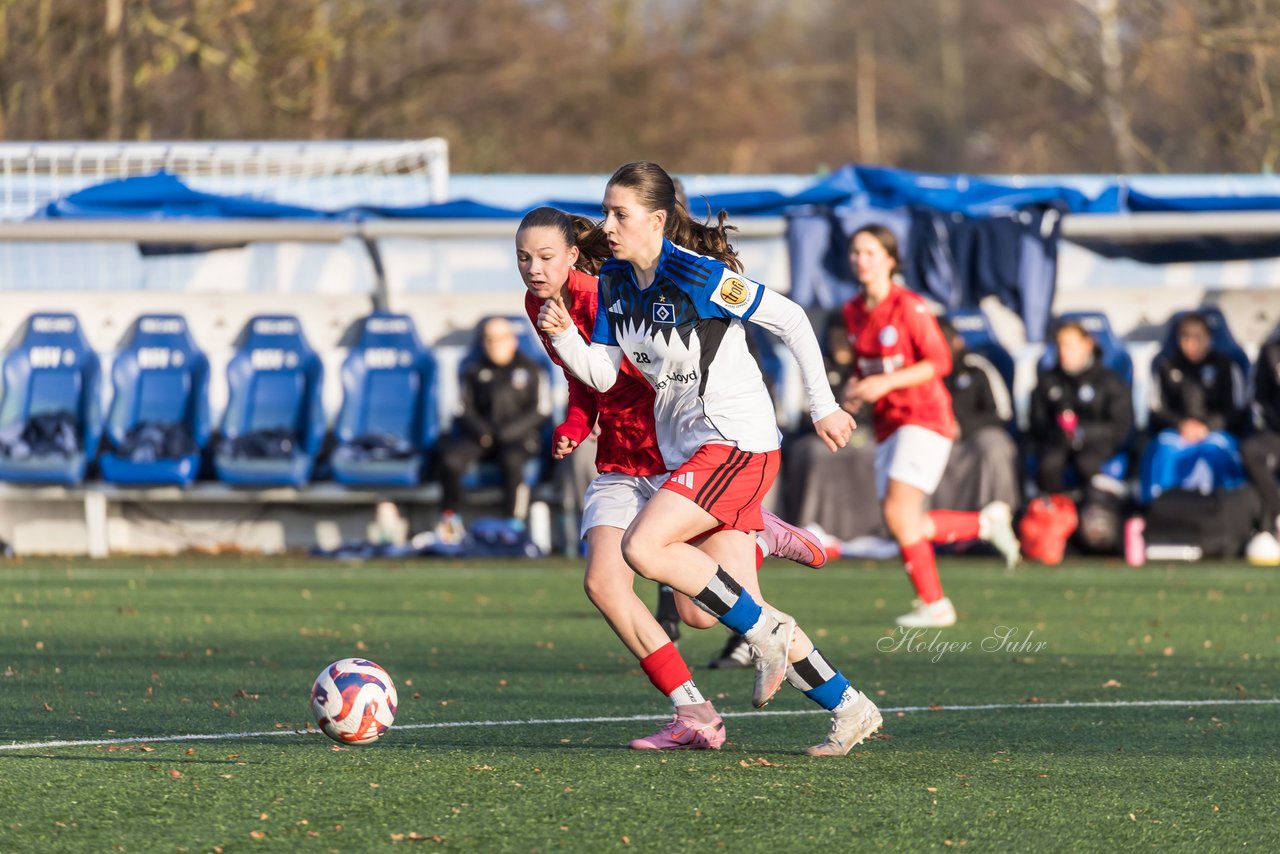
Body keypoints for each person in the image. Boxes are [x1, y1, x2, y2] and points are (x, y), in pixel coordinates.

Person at [542, 161, 881, 757]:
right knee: (704, 613)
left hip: (737, 441)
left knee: (643, 549)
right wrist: (567, 336)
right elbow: (604, 374)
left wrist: (823, 406)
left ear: (657, 220)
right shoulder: (616, 279)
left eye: (620, 214)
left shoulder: (698, 274)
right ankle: (850, 705)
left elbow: (792, 319)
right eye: (605, 212)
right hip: (692, 454)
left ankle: (767, 625)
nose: (608, 225)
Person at [841, 225, 1021, 630]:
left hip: (924, 417)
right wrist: (856, 392)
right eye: (855, 252)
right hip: (889, 423)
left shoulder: (909, 306)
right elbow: (867, 369)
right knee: (904, 521)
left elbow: (939, 361)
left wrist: (886, 382)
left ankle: (937, 605)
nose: (861, 260)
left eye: (870, 252)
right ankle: (981, 527)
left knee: (898, 512)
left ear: (890, 260)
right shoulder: (853, 310)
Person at [436, 317, 550, 531]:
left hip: (517, 438)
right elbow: (462, 409)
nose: (494, 344)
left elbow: (541, 410)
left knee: (513, 462)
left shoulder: (531, 368)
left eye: (500, 338)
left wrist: (507, 433)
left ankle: (513, 524)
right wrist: (483, 431)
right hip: (482, 436)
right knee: (451, 460)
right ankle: (450, 521)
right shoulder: (473, 369)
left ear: (513, 340)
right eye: (489, 339)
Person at [1142, 312, 1248, 503]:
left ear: (1209, 339)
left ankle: (1221, 506)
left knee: (1214, 451)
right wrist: (1181, 424)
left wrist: (1207, 426)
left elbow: (1238, 409)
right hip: (1177, 431)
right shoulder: (1166, 366)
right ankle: (1161, 507)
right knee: (1165, 449)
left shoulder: (1225, 366)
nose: (1192, 345)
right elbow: (1157, 409)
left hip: (1216, 431)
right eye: (1186, 339)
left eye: (1198, 339)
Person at [1030, 319, 1133, 495]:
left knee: (1087, 464)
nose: (1063, 352)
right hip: (1058, 444)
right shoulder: (1048, 382)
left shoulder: (1109, 381)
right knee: (1050, 465)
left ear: (1087, 345)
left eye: (1070, 346)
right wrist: (1060, 433)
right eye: (1060, 346)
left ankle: (1101, 507)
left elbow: (1121, 427)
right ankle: (1056, 509)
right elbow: (1037, 424)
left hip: (1098, 446)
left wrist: (1081, 433)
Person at [930, 317, 1020, 514]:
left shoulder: (977, 368)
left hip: (973, 438)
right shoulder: (918, 372)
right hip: (932, 436)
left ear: (957, 341)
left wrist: (962, 426)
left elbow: (1002, 414)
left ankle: (999, 517)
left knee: (995, 444)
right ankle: (917, 522)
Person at [1241, 333, 1280, 564]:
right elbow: (1260, 399)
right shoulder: (1272, 351)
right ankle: (1277, 516)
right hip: (1277, 433)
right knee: (1252, 450)